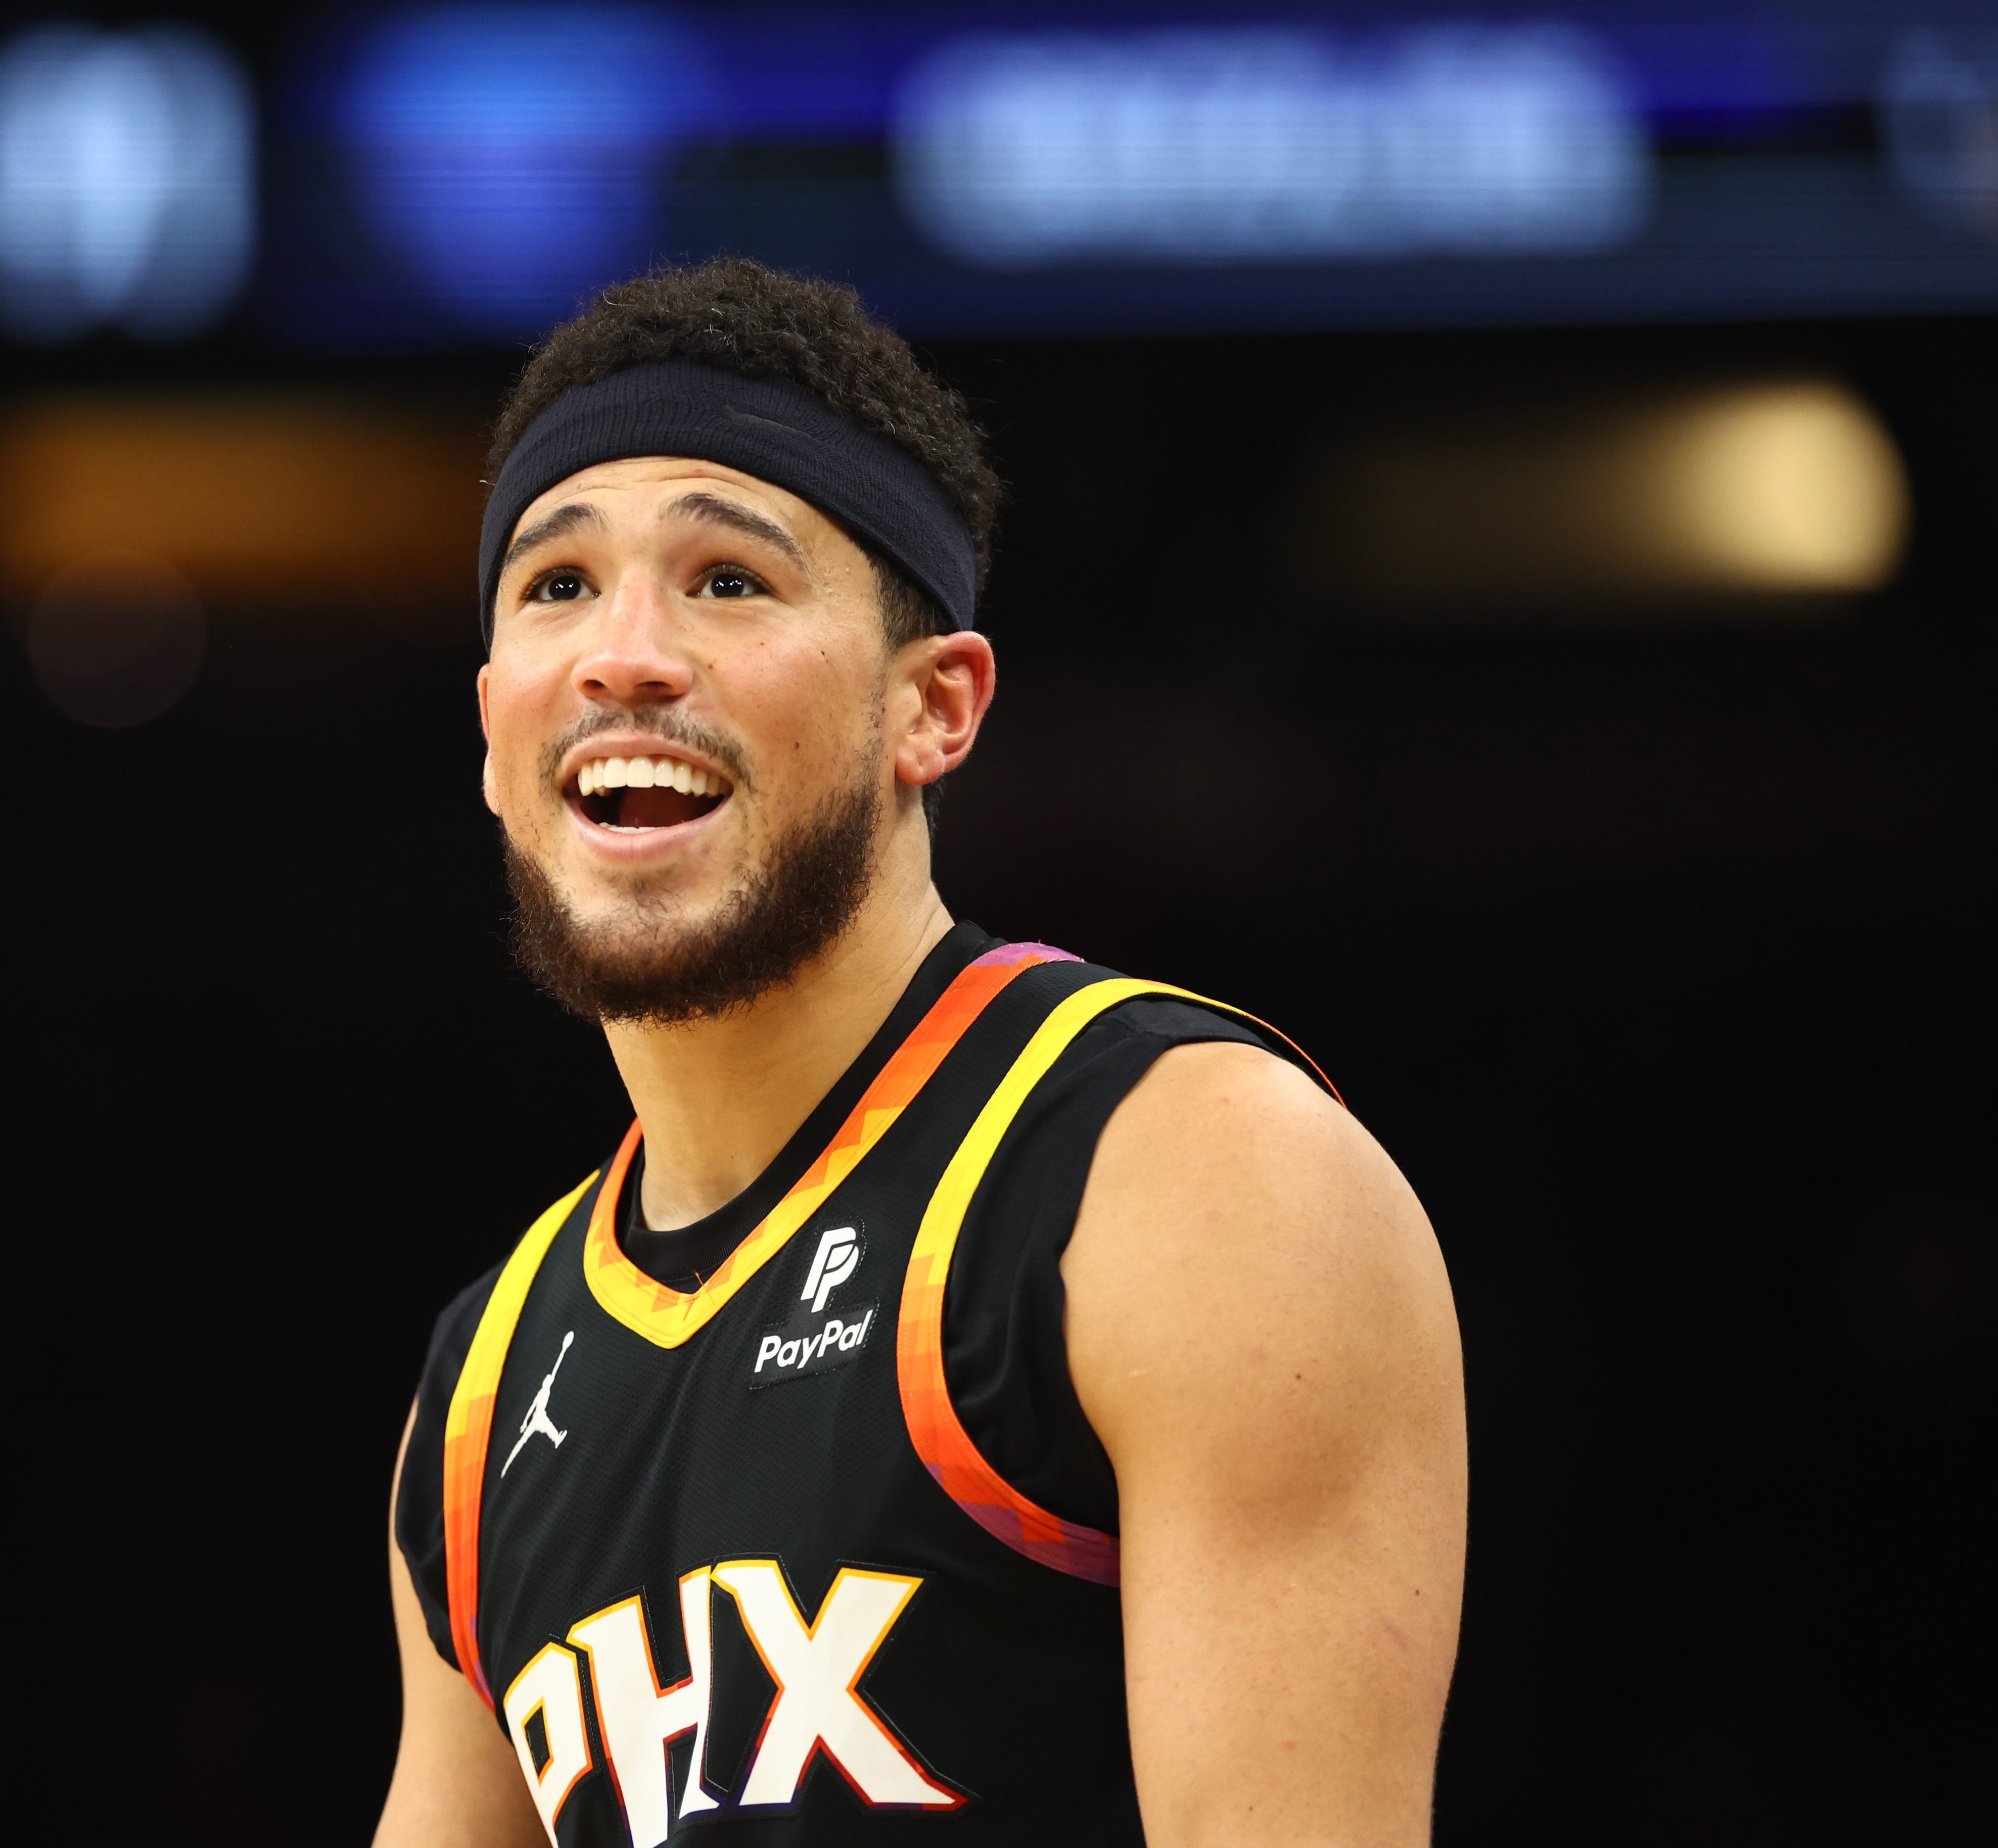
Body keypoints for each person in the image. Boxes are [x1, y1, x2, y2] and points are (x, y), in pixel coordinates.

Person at [376, 259, 1465, 1848]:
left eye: (726, 579)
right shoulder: (478, 1398)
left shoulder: (1197, 1175)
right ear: (492, 731)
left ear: (933, 709)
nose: (624, 654)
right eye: (557, 585)